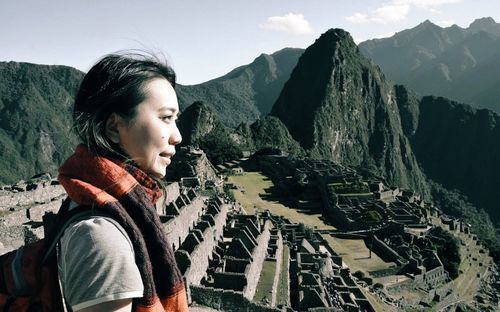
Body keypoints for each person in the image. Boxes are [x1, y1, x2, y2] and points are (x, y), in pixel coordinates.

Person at [56, 52, 187, 312]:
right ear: (114, 127)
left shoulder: (111, 208)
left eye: (176, 120)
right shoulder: (101, 238)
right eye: (165, 118)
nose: (178, 136)